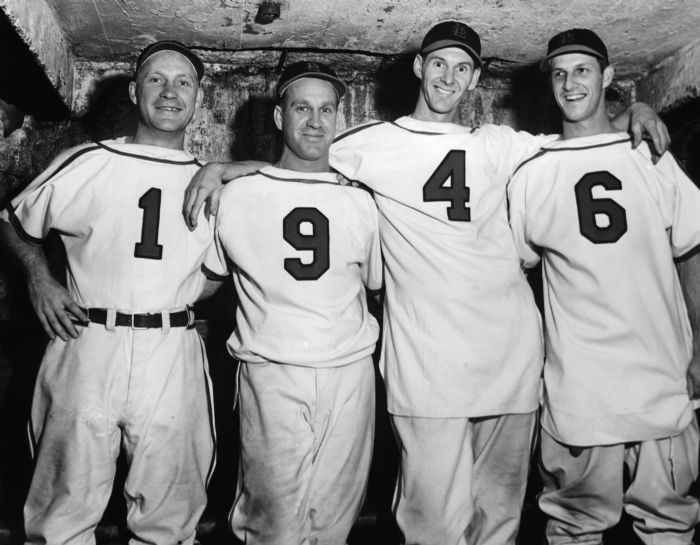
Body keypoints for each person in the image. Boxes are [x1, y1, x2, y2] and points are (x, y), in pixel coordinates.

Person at [182, 21, 670, 545]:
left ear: (476, 78)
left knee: (499, 521)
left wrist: (631, 113)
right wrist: (229, 168)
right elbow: (304, 161)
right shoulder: (371, 143)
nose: (448, 77)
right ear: (419, 67)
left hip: (511, 358)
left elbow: (580, 141)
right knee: (433, 526)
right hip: (426, 365)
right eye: (438, 63)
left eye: (462, 68)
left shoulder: (500, 143)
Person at [0, 41, 216, 544]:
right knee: (62, 513)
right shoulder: (89, 160)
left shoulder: (209, 183)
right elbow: (11, 221)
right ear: (134, 90)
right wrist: (40, 278)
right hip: (87, 342)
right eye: (157, 79)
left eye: (183, 82)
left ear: (198, 97)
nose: (169, 92)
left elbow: (217, 275)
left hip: (171, 348)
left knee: (169, 514)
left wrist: (165, 293)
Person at [507, 28, 700, 545]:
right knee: (575, 528)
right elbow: (521, 269)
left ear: (609, 76)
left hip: (661, 377)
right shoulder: (532, 172)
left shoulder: (649, 153)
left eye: (583, 70)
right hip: (581, 390)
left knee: (670, 525)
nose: (570, 84)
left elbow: (693, 249)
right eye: (560, 73)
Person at [201, 61, 382, 545]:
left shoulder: (363, 200)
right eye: (302, 108)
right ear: (280, 117)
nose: (315, 121)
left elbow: (375, 282)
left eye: (326, 110)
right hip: (273, 371)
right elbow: (204, 283)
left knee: (335, 521)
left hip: (350, 372)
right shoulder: (237, 196)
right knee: (272, 523)